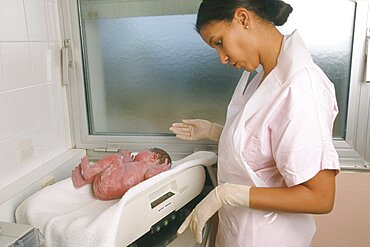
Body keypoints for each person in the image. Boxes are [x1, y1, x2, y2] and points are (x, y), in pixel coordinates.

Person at [170, 0, 340, 246]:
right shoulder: (265, 76)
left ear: (242, 18)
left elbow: (321, 197)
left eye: (219, 42)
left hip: (270, 238)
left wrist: (227, 194)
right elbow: (263, 144)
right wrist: (215, 131)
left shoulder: (301, 87)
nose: (222, 58)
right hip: (239, 234)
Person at [71, 148, 172, 200]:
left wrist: (161, 169)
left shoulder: (148, 168)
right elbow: (123, 170)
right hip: (108, 191)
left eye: (142, 151)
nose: (137, 154)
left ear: (153, 157)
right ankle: (83, 180)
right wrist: (127, 160)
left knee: (115, 158)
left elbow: (150, 176)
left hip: (113, 185)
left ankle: (89, 172)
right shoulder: (137, 167)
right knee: (108, 169)